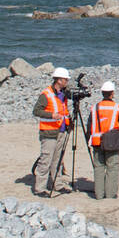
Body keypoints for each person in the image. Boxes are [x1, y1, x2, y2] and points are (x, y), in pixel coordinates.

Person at [31, 67, 72, 197]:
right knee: (46, 160)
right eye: (65, 79)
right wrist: (51, 115)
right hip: (49, 132)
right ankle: (40, 188)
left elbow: (64, 111)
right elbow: (36, 111)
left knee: (58, 160)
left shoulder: (63, 94)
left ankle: (57, 184)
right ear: (59, 80)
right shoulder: (46, 94)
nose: (67, 82)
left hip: (61, 130)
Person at [88, 81, 119, 200]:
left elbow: (89, 124)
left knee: (99, 168)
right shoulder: (117, 107)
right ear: (112, 94)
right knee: (112, 167)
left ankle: (99, 194)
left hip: (96, 142)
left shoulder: (95, 107)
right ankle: (110, 194)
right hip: (111, 142)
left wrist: (88, 139)